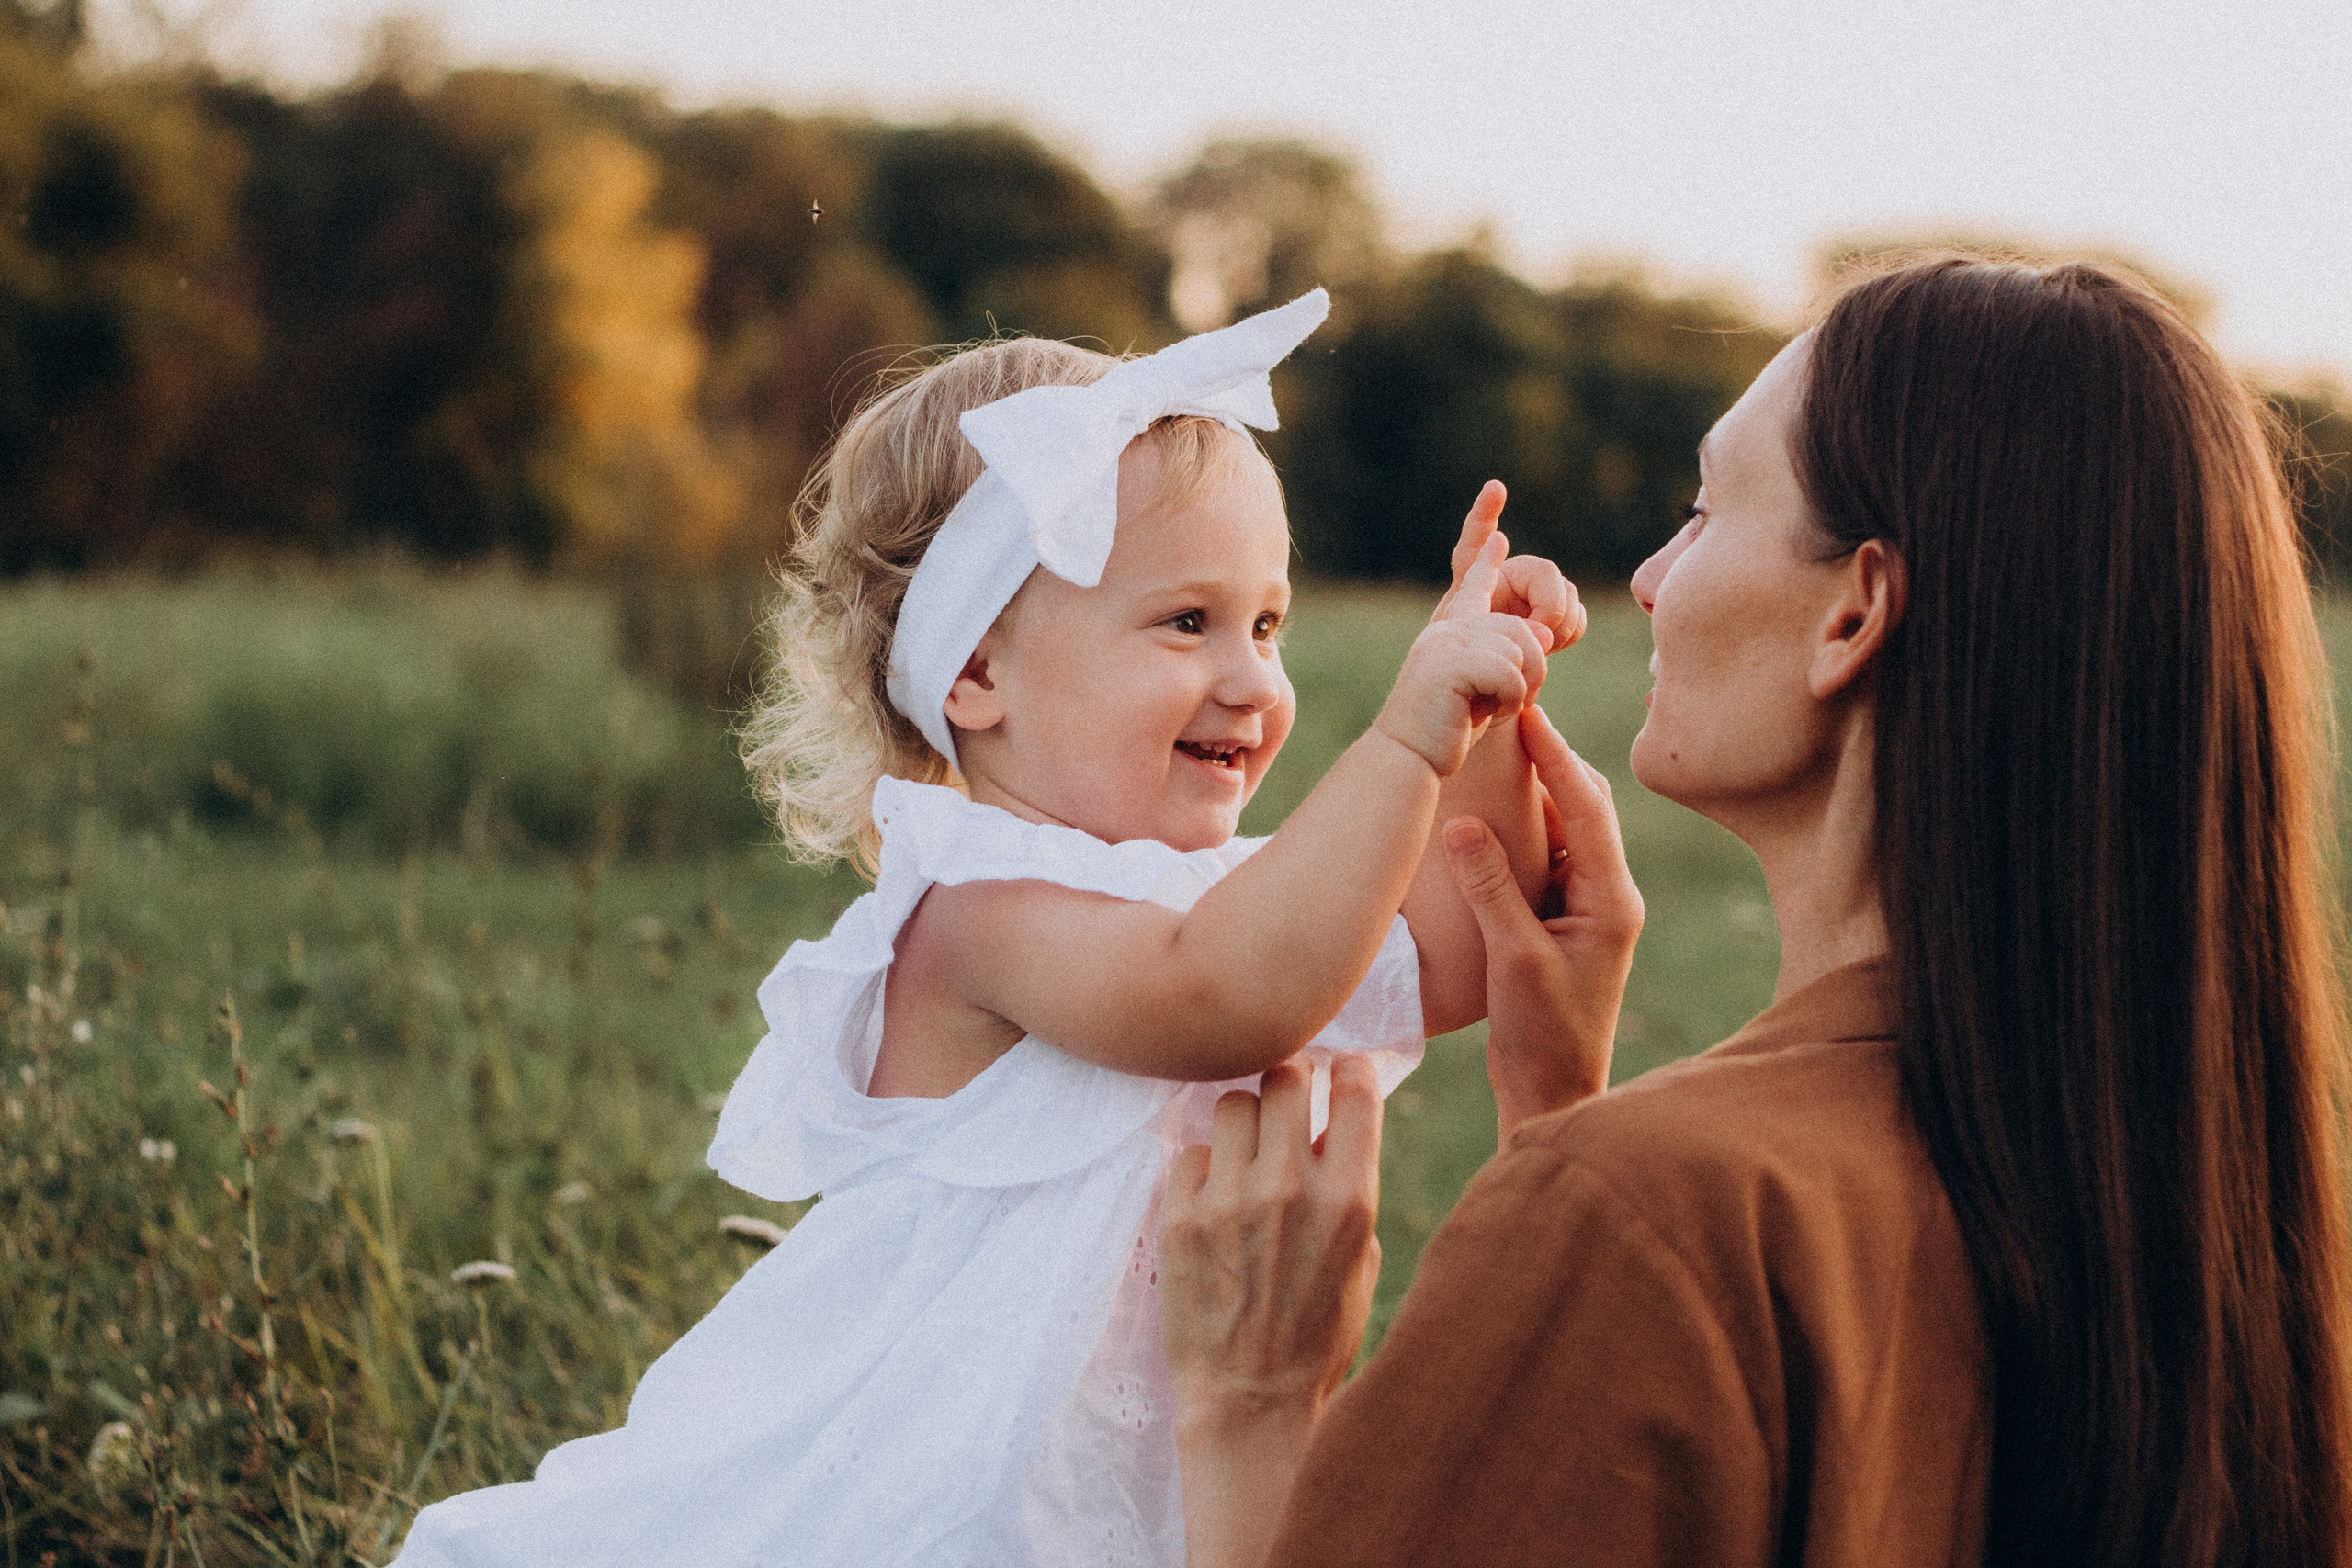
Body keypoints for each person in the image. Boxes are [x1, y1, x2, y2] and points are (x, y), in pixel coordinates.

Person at [1161, 256, 2352, 1568]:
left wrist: (1248, 1405)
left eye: (1703, 506)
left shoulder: (1655, 1217)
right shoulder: (2227, 1233)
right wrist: (1558, 1113)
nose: (1656, 576)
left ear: (1854, 613)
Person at [392, 290, 1580, 1566]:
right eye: (1188, 622)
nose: (1251, 678)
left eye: (1268, 623)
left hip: (1133, 1474)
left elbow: (1457, 952)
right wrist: (1404, 738)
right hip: (926, 1492)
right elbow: (1229, 995)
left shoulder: (1230, 896)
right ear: (976, 674)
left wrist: (1488, 704)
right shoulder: (978, 910)